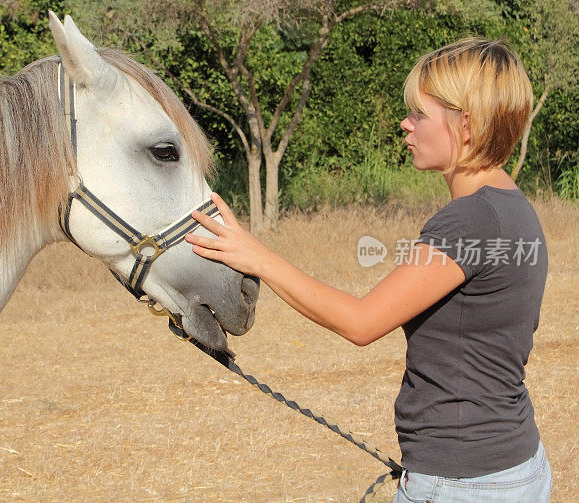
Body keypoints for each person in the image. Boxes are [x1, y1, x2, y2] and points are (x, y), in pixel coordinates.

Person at [185, 37, 551, 502]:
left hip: (464, 482)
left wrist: (257, 256)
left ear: (467, 125)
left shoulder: (470, 220)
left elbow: (362, 322)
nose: (406, 124)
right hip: (513, 465)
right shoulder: (513, 207)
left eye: (419, 113)